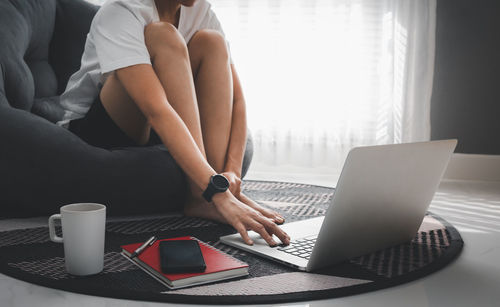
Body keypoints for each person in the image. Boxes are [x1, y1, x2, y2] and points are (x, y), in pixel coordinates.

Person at [58, 0, 290, 247]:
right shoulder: (120, 11)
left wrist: (231, 174)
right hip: (99, 127)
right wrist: (216, 192)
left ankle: (208, 194)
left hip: (161, 125)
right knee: (162, 34)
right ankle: (204, 194)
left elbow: (237, 100)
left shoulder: (200, 10)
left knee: (211, 41)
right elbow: (157, 110)